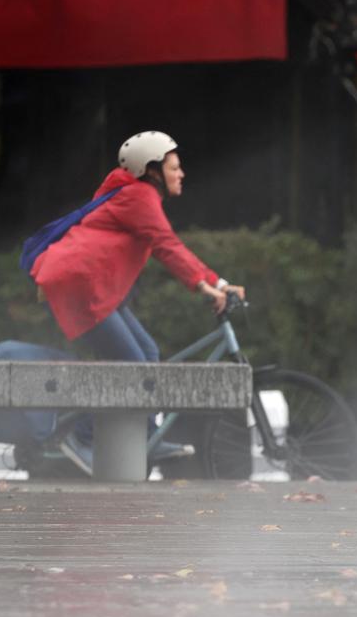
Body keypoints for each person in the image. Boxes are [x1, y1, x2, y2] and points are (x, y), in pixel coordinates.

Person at [30, 131, 245, 475]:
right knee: (130, 362)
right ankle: (79, 436)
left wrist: (217, 282)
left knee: (147, 354)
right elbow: (167, 246)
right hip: (80, 288)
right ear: (153, 171)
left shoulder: (136, 195)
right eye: (175, 167)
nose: (182, 173)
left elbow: (169, 244)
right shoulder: (139, 196)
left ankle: (148, 438)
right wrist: (205, 287)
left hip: (96, 289)